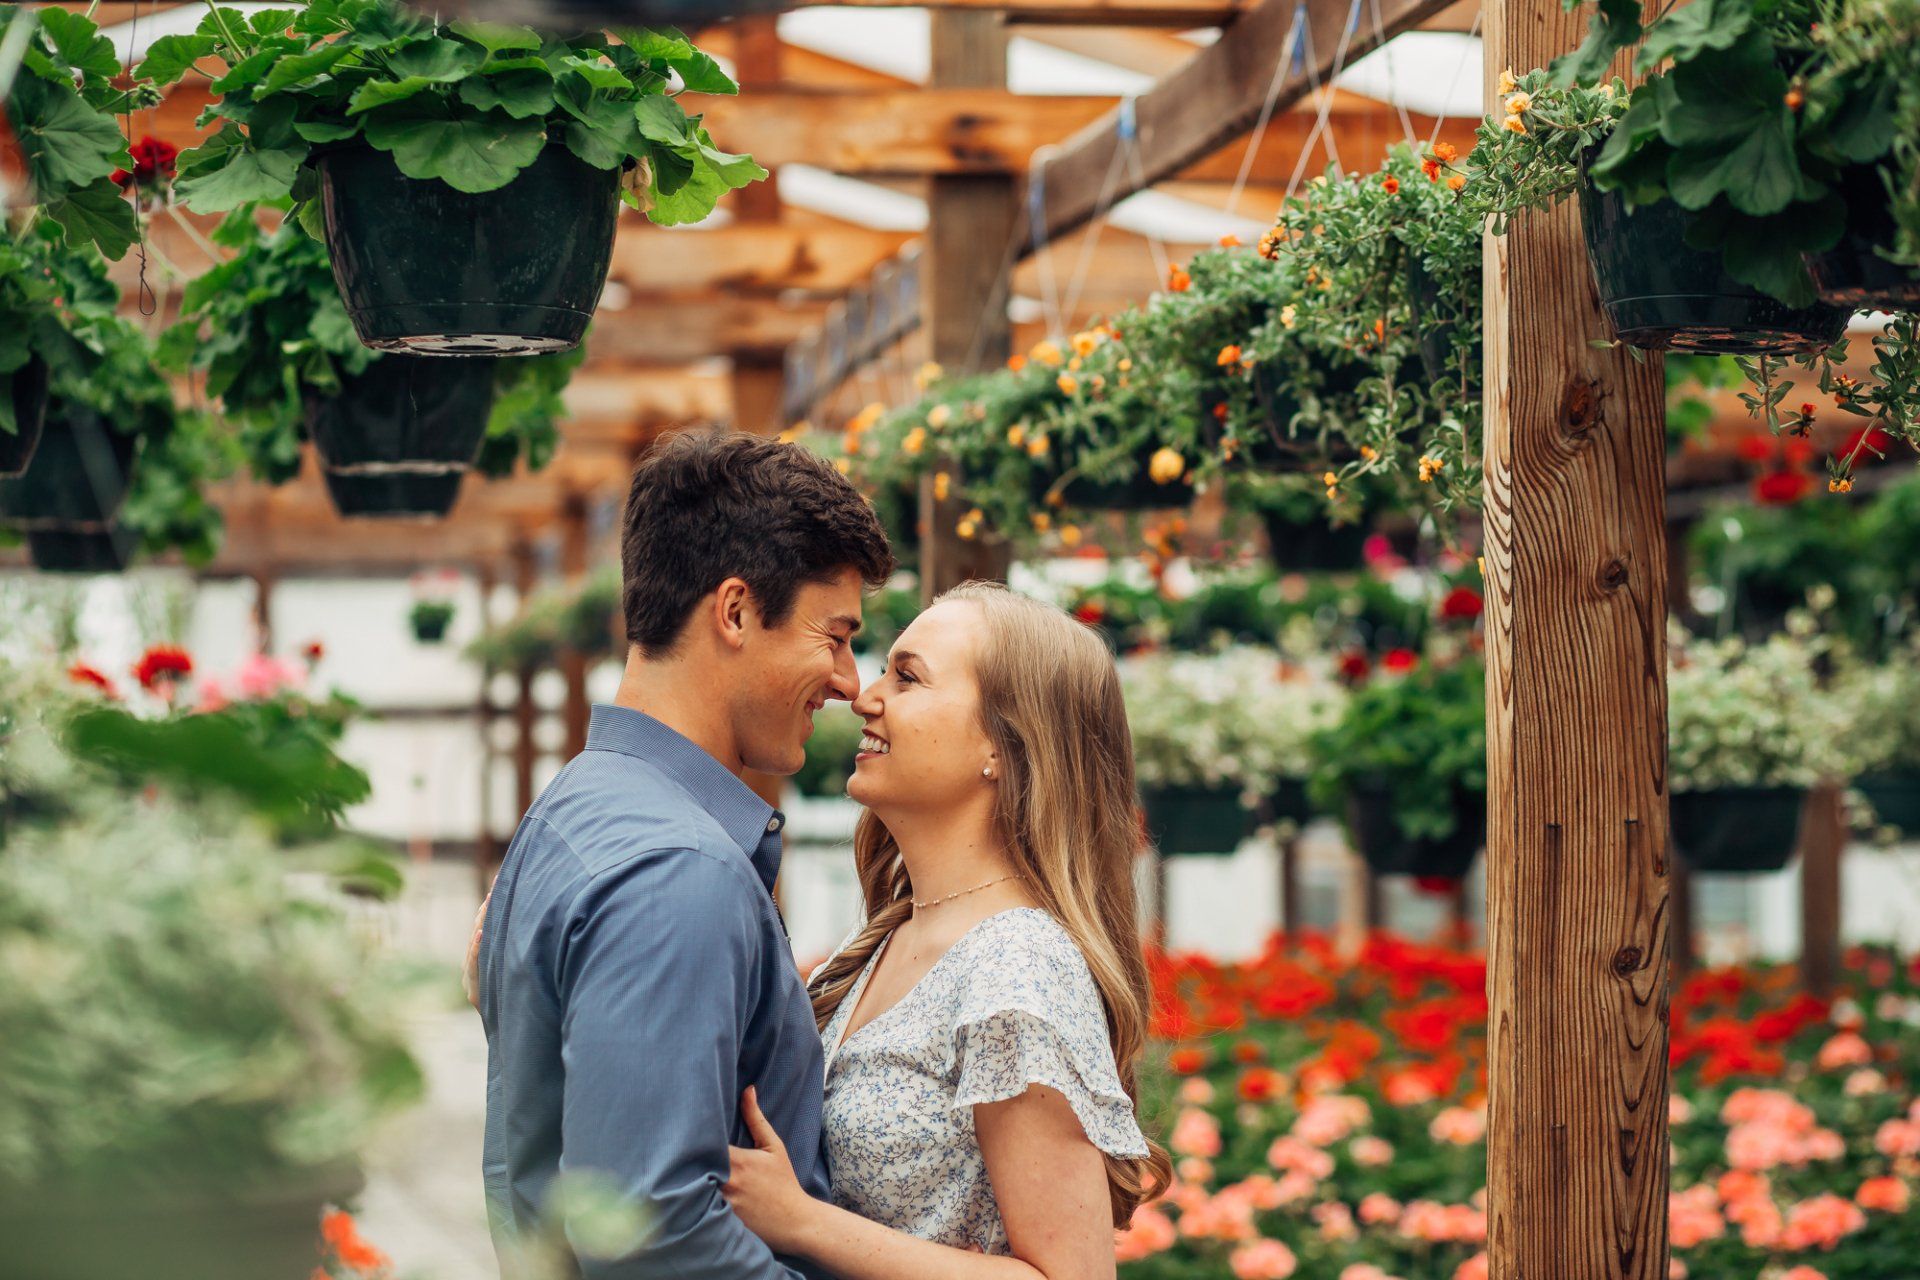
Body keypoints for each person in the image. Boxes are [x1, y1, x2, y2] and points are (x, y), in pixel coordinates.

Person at [472, 428, 893, 1279]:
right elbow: (655, 1238)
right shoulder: (678, 871)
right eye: (836, 635)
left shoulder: (575, 807)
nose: (852, 682)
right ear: (735, 612)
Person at [721, 582, 1173, 1278]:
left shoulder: (1014, 965)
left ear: (1003, 743)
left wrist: (805, 1222)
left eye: (907, 678)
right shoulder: (891, 936)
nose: (865, 696)